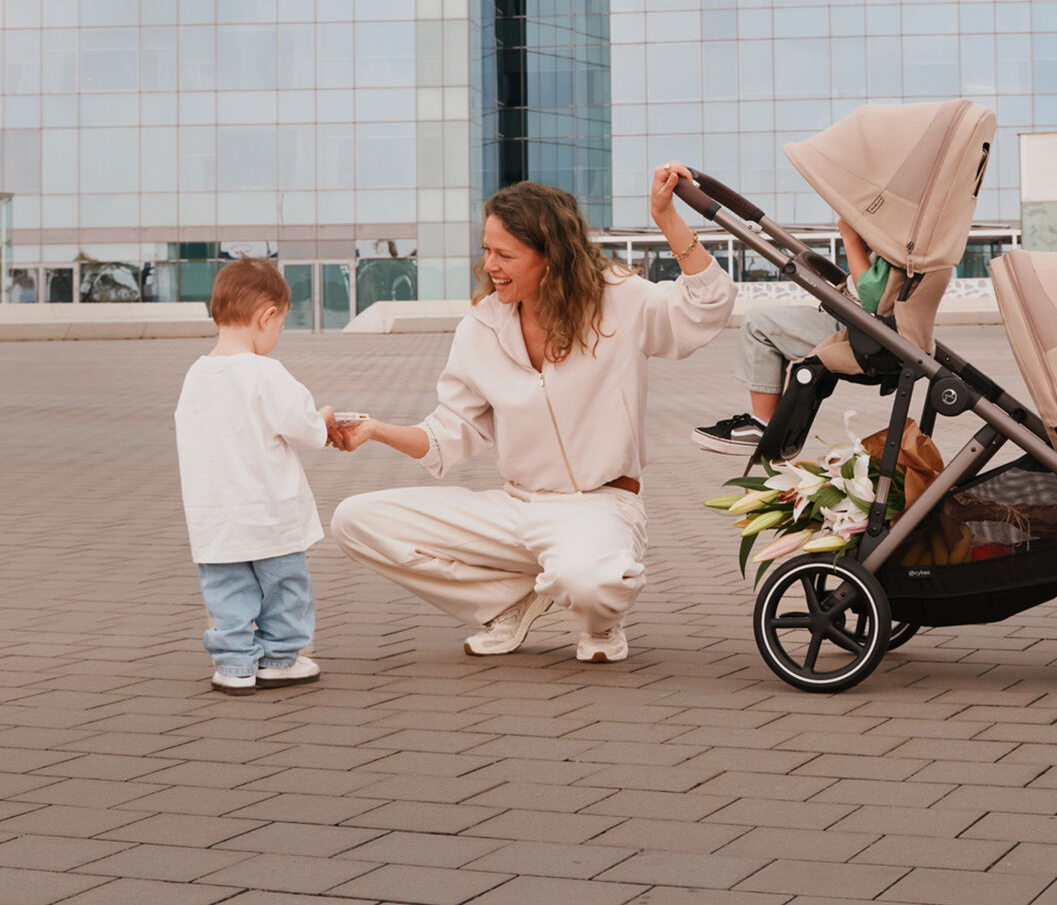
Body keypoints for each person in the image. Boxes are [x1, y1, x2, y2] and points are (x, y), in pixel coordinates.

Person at [327, 166, 735, 662]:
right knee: (355, 520)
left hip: (600, 506)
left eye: (505, 254)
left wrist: (665, 216)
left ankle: (600, 623)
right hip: (518, 509)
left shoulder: (618, 299)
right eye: (486, 249)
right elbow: (447, 434)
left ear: (550, 257)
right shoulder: (481, 328)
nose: (490, 265)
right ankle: (510, 601)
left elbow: (707, 306)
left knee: (587, 583)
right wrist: (373, 430)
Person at [175, 258, 333, 695]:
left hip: (215, 517)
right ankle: (280, 658)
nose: (277, 335)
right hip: (269, 515)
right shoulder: (266, 373)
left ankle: (234, 665)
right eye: (279, 325)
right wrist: (323, 419)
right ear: (266, 316)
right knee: (285, 588)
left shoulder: (196, 375)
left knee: (226, 592)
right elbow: (304, 428)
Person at [691, 220, 873, 454]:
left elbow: (871, 296)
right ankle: (767, 422)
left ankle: (762, 423)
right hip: (857, 321)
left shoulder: (890, 242)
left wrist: (851, 240)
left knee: (758, 324)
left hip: (860, 330)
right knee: (768, 321)